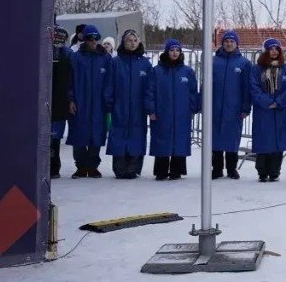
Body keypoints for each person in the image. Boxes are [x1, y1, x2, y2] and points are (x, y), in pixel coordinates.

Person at [146, 38, 200, 181]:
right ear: (166, 52)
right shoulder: (156, 71)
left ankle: (177, 170)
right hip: (162, 113)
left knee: (180, 140)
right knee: (162, 139)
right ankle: (161, 170)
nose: (175, 53)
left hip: (182, 113)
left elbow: (193, 92)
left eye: (177, 50)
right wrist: (151, 110)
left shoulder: (188, 72)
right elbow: (149, 91)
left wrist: (193, 108)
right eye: (171, 50)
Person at [67, 24, 111, 178]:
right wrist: (71, 99)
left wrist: (108, 100)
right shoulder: (76, 58)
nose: (93, 42)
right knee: (79, 133)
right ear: (84, 40)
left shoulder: (105, 58)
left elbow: (110, 81)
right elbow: (70, 81)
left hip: (99, 103)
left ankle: (92, 166)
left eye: (96, 38)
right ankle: (80, 166)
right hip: (81, 101)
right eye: (90, 39)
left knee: (97, 134)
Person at [107, 29, 150, 179]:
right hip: (120, 106)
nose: (132, 43)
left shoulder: (145, 64)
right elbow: (109, 85)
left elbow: (150, 88)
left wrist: (149, 106)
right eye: (129, 41)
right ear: (123, 43)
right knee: (119, 136)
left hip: (138, 109)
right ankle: (119, 168)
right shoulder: (115, 62)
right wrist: (110, 103)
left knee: (137, 136)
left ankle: (133, 168)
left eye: (134, 40)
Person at [250, 38, 286, 182]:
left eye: (276, 49)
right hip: (264, 110)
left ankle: (275, 171)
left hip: (280, 110)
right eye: (271, 49)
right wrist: (267, 102)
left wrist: (279, 102)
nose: (274, 51)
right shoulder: (257, 69)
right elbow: (254, 87)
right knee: (263, 140)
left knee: (278, 140)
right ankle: (262, 171)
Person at [210, 30, 252, 180]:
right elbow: (206, 85)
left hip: (234, 108)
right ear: (222, 43)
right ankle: (216, 168)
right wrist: (203, 104)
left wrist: (246, 107)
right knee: (215, 138)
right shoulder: (213, 62)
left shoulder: (244, 64)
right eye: (226, 41)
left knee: (232, 139)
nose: (229, 44)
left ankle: (231, 168)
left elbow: (247, 88)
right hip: (215, 106)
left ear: (236, 44)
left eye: (232, 41)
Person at [49, 26, 73, 179]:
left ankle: (53, 167)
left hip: (60, 102)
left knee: (55, 137)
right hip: (46, 100)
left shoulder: (69, 56)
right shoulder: (43, 54)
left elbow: (71, 81)